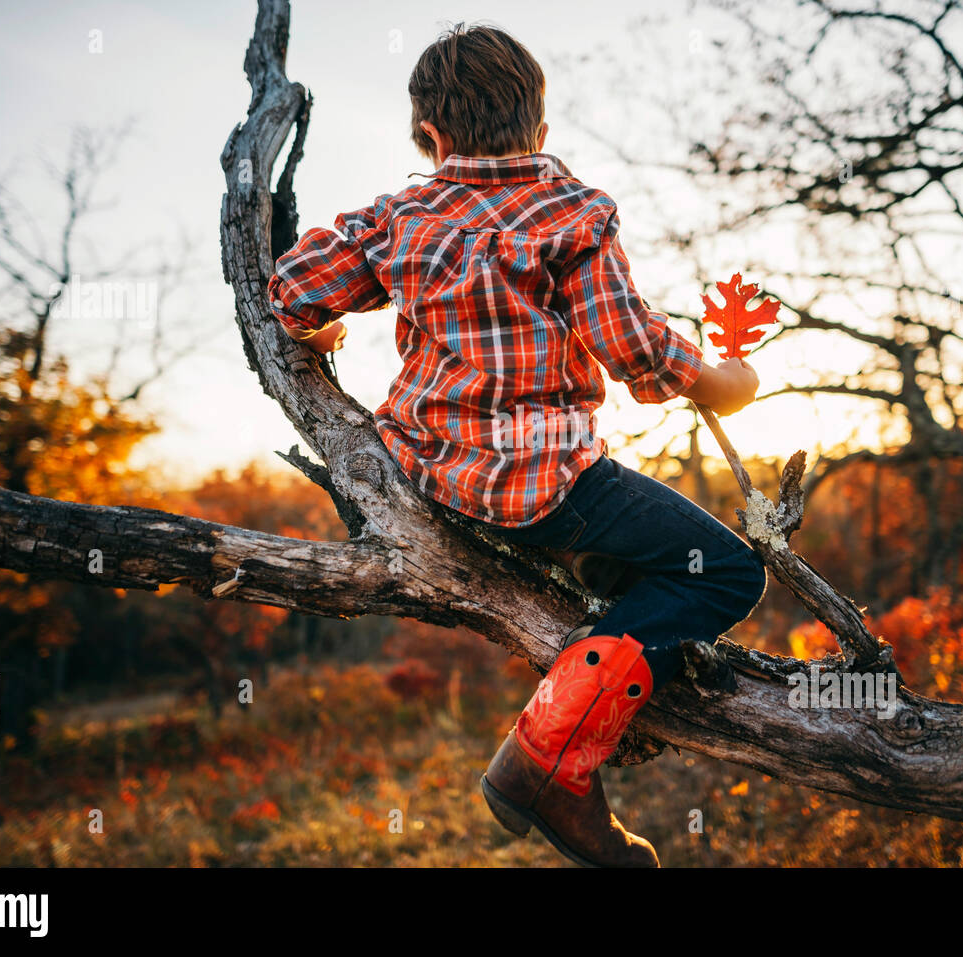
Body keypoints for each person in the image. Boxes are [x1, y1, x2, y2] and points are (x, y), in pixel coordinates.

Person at [267, 22, 766, 867]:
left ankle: (590, 686)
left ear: (430, 135)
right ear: (540, 127)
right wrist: (722, 381)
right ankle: (544, 758)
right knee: (725, 570)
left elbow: (295, 288)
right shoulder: (572, 213)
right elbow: (631, 344)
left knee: (639, 578)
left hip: (429, 473)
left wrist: (317, 336)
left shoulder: (402, 215)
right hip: (550, 488)